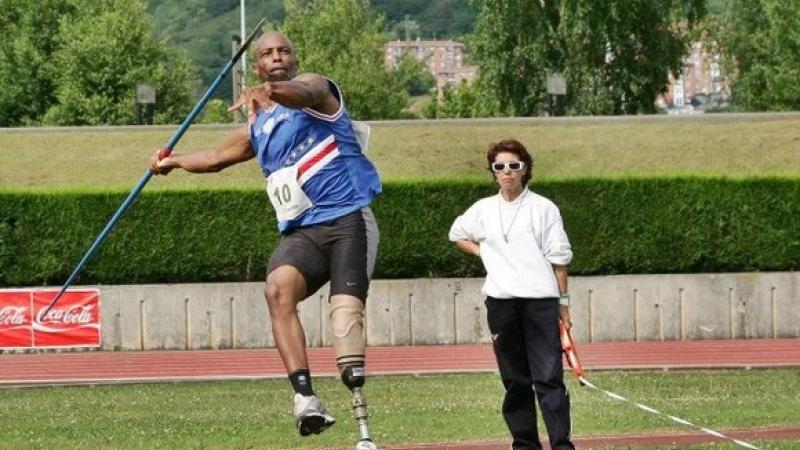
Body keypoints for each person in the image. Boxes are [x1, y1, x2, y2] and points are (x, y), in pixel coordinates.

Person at [150, 31, 381, 449]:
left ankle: (364, 429)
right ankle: (305, 398)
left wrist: (272, 90)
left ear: (294, 58)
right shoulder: (258, 123)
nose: (277, 57)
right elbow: (216, 158)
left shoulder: (318, 91)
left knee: (345, 321)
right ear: (254, 66)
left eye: (284, 51)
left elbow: (303, 91)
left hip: (348, 220)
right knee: (277, 289)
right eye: (267, 55)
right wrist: (174, 162)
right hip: (305, 232)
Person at [448, 139, 575, 450]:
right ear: (493, 172)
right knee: (515, 379)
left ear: (525, 169)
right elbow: (456, 234)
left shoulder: (544, 208)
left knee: (548, 376)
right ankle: (524, 443)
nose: (507, 172)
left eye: (514, 166)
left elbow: (559, 259)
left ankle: (561, 444)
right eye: (500, 167)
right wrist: (484, 253)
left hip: (540, 302)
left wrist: (564, 304)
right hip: (501, 303)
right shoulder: (483, 209)